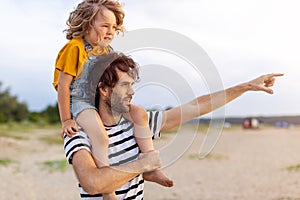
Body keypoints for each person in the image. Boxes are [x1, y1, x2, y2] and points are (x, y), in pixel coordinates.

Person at [64, 52, 283, 199]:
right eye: (125, 85)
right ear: (104, 89)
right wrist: (143, 165)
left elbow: (198, 105)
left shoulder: (138, 125)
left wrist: (245, 86)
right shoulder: (79, 133)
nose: (132, 91)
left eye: (132, 85)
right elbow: (92, 183)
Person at [53, 1, 172, 199]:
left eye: (114, 27)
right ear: (86, 25)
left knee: (139, 113)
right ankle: (108, 191)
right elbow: (63, 86)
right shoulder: (75, 48)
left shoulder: (105, 52)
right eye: (105, 26)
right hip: (82, 103)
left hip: (100, 100)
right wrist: (66, 120)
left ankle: (149, 165)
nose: (110, 32)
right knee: (100, 135)